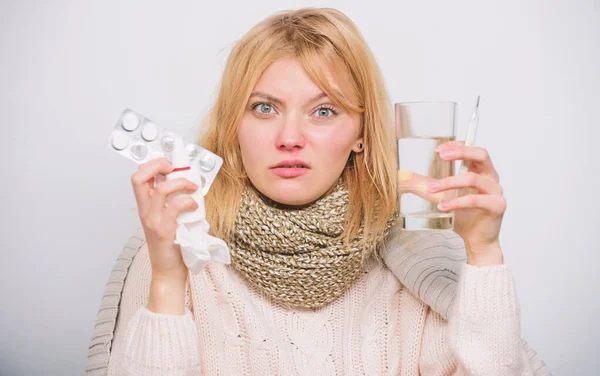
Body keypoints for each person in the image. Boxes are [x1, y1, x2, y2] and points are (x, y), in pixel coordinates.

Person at [97, 7, 551, 375]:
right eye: (264, 107)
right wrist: (167, 278)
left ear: (361, 133)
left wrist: (484, 252)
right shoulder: (174, 249)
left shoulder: (418, 252)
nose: (289, 137)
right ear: (235, 125)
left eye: (324, 111)